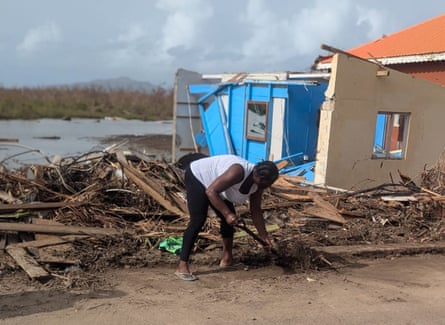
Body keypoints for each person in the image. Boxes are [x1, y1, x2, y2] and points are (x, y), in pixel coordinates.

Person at [175, 154, 279, 281]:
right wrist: (227, 214)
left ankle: (227, 259)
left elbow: (255, 210)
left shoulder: (259, 185)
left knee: (230, 221)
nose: (266, 187)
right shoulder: (238, 171)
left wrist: (264, 237)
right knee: (198, 219)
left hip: (218, 188)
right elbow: (210, 191)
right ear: (259, 177)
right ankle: (182, 265)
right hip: (198, 177)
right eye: (266, 183)